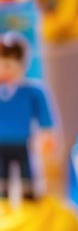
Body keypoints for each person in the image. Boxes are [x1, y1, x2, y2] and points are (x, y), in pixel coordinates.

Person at [0, 34, 57, 200]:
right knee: (2, 181)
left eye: (8, 65)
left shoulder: (33, 92)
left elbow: (44, 115)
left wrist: (47, 134)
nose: (3, 71)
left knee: (27, 177)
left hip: (23, 144)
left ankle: (29, 204)